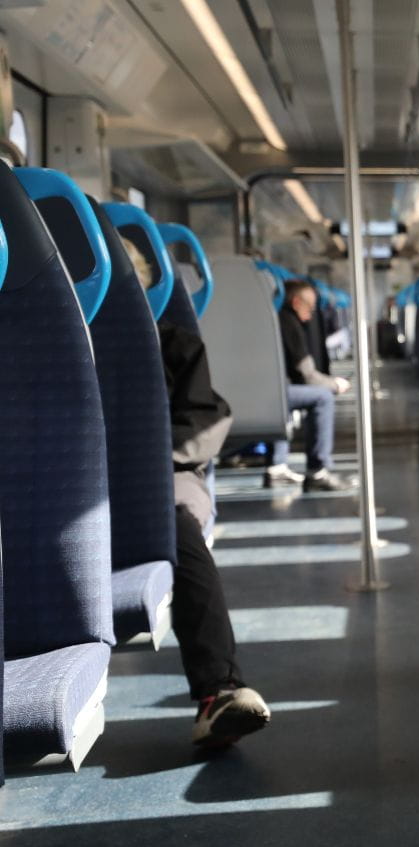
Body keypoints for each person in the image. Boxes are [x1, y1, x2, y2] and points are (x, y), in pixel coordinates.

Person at [123, 236, 272, 748]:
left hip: (162, 475)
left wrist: (143, 464)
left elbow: (203, 421)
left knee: (177, 529)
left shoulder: (172, 344)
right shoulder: (41, 344)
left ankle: (219, 691)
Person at [266, 278, 353, 491]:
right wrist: (334, 384)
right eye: (310, 307)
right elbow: (308, 376)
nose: (312, 313)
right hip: (273, 394)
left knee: (280, 398)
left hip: (261, 391)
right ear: (296, 302)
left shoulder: (270, 318)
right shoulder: (289, 324)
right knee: (322, 398)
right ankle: (319, 470)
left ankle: (277, 466)